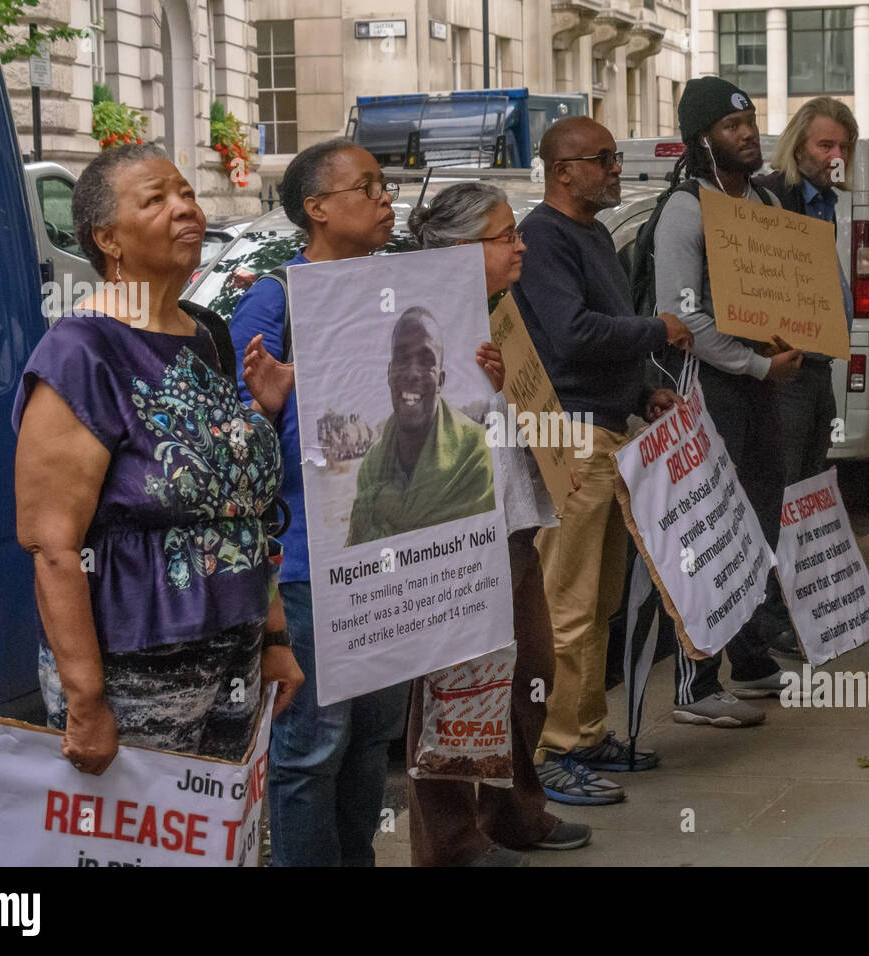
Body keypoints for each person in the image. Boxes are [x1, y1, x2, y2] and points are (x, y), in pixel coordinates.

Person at [13, 143, 302, 775]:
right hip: (133, 669)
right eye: (156, 199)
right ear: (107, 239)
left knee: (220, 846)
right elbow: (53, 545)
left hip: (237, 651)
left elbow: (240, 506)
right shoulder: (80, 352)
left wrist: (274, 638)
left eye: (188, 194)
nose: (185, 209)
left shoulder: (208, 334)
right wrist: (87, 701)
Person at [398, 180, 592, 865]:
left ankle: (514, 811)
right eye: (505, 235)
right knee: (454, 689)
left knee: (530, 672)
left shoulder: (497, 309)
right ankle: (451, 843)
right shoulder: (418, 320)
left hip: (509, 520)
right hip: (453, 535)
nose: (520, 245)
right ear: (458, 250)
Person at [229, 140, 409, 866]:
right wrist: (270, 407)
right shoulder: (275, 300)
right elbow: (235, 449)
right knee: (312, 748)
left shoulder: (401, 289)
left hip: (388, 553)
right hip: (308, 561)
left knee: (370, 738)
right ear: (318, 209)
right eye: (365, 187)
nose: (385, 197)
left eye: (384, 184)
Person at [512, 116, 693, 804]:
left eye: (615, 159)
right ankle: (552, 748)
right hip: (572, 439)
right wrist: (659, 330)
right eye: (604, 160)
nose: (617, 170)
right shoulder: (544, 237)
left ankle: (586, 732)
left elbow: (598, 339)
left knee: (602, 599)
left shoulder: (588, 234)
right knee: (568, 604)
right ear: (564, 171)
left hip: (610, 431)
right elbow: (571, 333)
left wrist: (643, 389)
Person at [653, 77, 802, 725]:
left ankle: (751, 657)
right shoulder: (688, 210)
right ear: (702, 139)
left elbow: (780, 290)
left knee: (759, 513)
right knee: (712, 525)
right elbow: (684, 319)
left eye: (751, 120)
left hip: (759, 383)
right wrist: (757, 363)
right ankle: (695, 680)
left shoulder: (763, 199)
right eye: (730, 125)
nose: (747, 132)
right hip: (712, 385)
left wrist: (789, 343)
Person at [757, 95, 858, 483]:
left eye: (844, 147)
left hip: (817, 365)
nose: (837, 157)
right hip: (786, 371)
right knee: (784, 483)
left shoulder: (825, 201)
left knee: (810, 481)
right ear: (798, 148)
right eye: (826, 145)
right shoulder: (771, 196)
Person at [345, 307, 495, 545]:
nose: (413, 373)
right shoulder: (372, 467)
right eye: (402, 358)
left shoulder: (476, 454)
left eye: (426, 361)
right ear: (389, 373)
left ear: (441, 381)